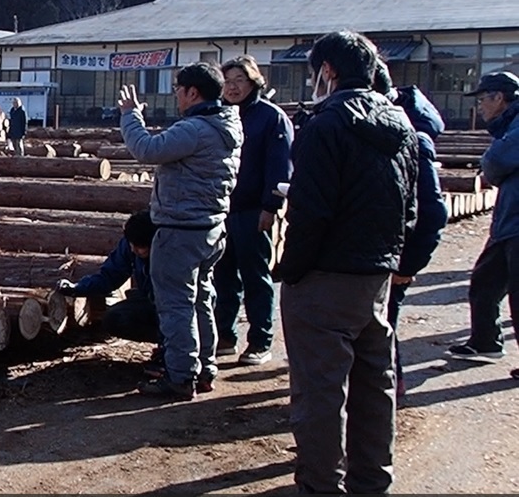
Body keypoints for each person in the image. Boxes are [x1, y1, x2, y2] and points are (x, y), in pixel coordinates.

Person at [274, 30, 418, 494]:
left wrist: (290, 270)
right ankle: (372, 482)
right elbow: (411, 208)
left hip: (325, 277)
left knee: (318, 393)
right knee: (375, 385)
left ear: (328, 71)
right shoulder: (401, 125)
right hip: (375, 275)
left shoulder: (325, 126)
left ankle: (320, 486)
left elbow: (310, 211)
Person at [118, 62, 242, 400]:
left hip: (180, 229)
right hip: (211, 226)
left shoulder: (195, 130)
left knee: (175, 305)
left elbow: (145, 149)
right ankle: (204, 367)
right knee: (201, 298)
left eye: (178, 90)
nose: (176, 97)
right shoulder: (227, 124)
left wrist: (130, 115)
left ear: (193, 92)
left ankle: (180, 376)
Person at [213, 55, 294, 366]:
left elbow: (280, 166)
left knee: (255, 278)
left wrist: (271, 206)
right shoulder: (220, 115)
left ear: (254, 82)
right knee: (223, 277)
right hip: (222, 209)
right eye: (228, 82)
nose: (233, 87)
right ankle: (225, 335)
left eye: (239, 81)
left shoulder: (270, 118)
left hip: (253, 210)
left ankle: (260, 340)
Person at [373, 61, 447, 395]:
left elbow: (432, 212)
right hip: (377, 250)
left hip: (393, 256)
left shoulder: (410, 138)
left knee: (382, 324)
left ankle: (389, 387)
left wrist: (410, 262)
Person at [447, 71, 519, 380]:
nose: (479, 108)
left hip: (517, 223)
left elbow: (495, 163)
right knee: (485, 282)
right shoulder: (508, 126)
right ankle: (485, 341)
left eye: (482, 100)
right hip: (508, 222)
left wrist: (492, 164)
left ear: (499, 98)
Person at [53, 210, 165, 376]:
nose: (133, 250)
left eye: (139, 248)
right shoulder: (131, 243)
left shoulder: (171, 250)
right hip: (152, 299)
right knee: (115, 318)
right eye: (131, 245)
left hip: (182, 304)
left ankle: (177, 350)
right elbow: (110, 276)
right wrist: (78, 288)